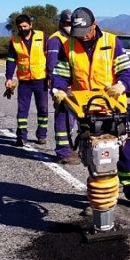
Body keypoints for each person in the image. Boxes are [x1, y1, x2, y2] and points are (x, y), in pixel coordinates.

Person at [57, 7, 130, 210]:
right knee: (93, 153)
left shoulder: (112, 42)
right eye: (78, 34)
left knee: (124, 152)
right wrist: (59, 90)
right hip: (85, 110)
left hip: (112, 107)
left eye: (86, 32)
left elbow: (126, 70)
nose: (83, 37)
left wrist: (122, 86)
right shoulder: (68, 45)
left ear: (94, 24)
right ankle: (100, 197)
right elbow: (61, 74)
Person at [5, 14, 48, 147]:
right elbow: (11, 60)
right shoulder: (15, 40)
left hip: (41, 80)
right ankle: (21, 136)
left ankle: (42, 135)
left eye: (25, 26)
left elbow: (50, 56)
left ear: (31, 25)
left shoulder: (42, 37)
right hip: (24, 81)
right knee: (22, 110)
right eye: (20, 27)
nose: (23, 29)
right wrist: (9, 78)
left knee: (43, 109)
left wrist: (52, 76)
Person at [45, 10, 80, 164]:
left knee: (73, 119)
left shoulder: (74, 38)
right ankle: (63, 152)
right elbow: (52, 65)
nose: (69, 27)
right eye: (66, 24)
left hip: (76, 86)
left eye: (71, 24)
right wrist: (56, 87)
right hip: (62, 86)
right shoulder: (55, 40)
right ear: (61, 23)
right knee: (64, 116)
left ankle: (70, 147)